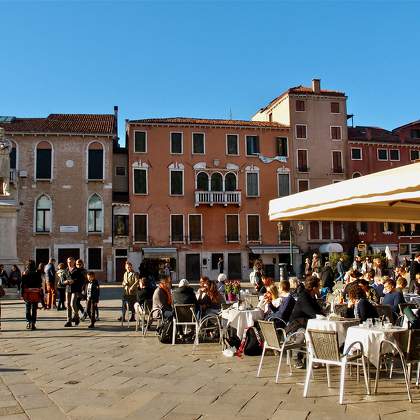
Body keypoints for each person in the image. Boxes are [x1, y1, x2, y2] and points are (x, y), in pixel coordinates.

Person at [287, 276, 324, 369]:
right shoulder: (304, 296)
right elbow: (312, 312)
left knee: (318, 332)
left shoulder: (311, 296)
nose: (319, 288)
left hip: (307, 322)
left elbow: (319, 311)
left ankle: (314, 358)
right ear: (314, 288)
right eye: (318, 286)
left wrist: (325, 314)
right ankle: (296, 358)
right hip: (296, 324)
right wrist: (321, 316)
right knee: (303, 333)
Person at [21, 260, 42, 330]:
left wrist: (21, 293)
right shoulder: (38, 272)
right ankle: (33, 322)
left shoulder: (25, 273)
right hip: (35, 292)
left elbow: (22, 284)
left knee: (28, 308)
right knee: (34, 308)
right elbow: (40, 282)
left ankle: (28, 322)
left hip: (27, 292)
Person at [63, 257, 85, 327]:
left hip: (75, 289)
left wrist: (74, 281)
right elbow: (61, 281)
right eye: (68, 262)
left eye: (70, 262)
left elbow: (81, 280)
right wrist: (65, 282)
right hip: (68, 289)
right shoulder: (65, 270)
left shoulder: (78, 271)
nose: (69, 263)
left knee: (73, 304)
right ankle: (68, 321)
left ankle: (76, 316)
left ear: (74, 262)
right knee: (68, 304)